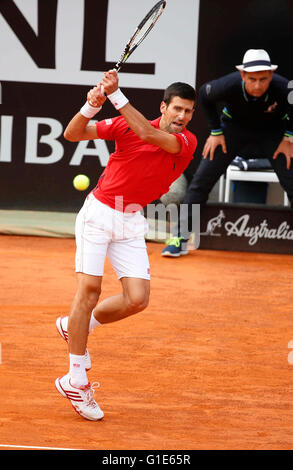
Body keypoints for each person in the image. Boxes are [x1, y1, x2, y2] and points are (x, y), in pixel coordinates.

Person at [55, 69, 197, 421]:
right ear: (163, 106)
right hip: (99, 214)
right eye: (177, 109)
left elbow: (147, 133)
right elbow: (72, 133)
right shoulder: (122, 127)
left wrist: (116, 96)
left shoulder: (187, 142)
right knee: (88, 291)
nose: (182, 117)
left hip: (131, 221)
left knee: (137, 300)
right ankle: (75, 379)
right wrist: (92, 105)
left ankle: (76, 326)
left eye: (188, 112)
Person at [161, 49, 293, 257]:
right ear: (242, 75)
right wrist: (215, 131)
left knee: (291, 179)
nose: (257, 85)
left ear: (271, 75)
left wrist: (288, 136)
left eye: (263, 79)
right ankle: (179, 238)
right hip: (232, 130)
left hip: (272, 133)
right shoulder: (227, 85)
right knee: (201, 181)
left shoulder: (284, 86)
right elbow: (203, 94)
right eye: (252, 79)